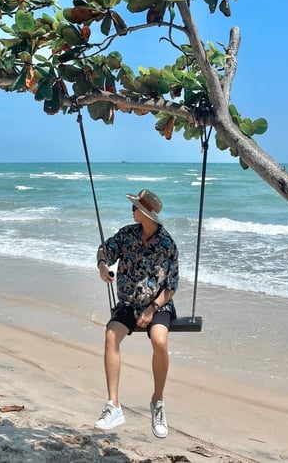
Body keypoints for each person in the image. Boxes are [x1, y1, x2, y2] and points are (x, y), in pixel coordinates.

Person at [94, 188, 179, 438]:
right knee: (111, 335)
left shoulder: (167, 244)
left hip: (159, 304)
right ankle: (113, 405)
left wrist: (152, 309)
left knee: (160, 341)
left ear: (146, 214)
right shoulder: (126, 234)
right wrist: (102, 267)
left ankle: (158, 402)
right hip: (129, 304)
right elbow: (103, 250)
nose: (132, 211)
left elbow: (172, 286)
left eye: (136, 208)